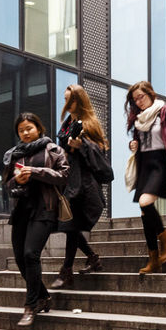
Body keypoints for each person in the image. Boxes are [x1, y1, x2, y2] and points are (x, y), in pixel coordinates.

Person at [2, 112, 69, 326]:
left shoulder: (54, 150)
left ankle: (30, 306)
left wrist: (36, 171)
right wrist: (17, 179)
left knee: (31, 254)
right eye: (21, 130)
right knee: (21, 260)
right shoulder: (15, 154)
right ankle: (44, 296)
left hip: (45, 209)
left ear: (39, 128)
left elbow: (64, 176)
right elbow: (7, 184)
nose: (25, 133)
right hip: (22, 210)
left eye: (29, 128)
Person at [50, 84, 113, 289]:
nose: (66, 103)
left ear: (78, 100)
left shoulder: (89, 123)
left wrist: (82, 145)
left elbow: (100, 155)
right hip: (70, 182)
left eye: (70, 99)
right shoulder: (68, 123)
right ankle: (92, 258)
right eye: (65, 99)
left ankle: (67, 271)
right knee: (69, 227)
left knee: (70, 226)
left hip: (84, 185)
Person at [125, 80, 166, 275]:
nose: (139, 102)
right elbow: (138, 141)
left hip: (160, 163)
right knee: (145, 214)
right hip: (145, 165)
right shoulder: (138, 119)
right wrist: (134, 145)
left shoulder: (165, 112)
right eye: (135, 100)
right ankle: (154, 259)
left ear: (150, 94)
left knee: (145, 202)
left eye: (141, 97)